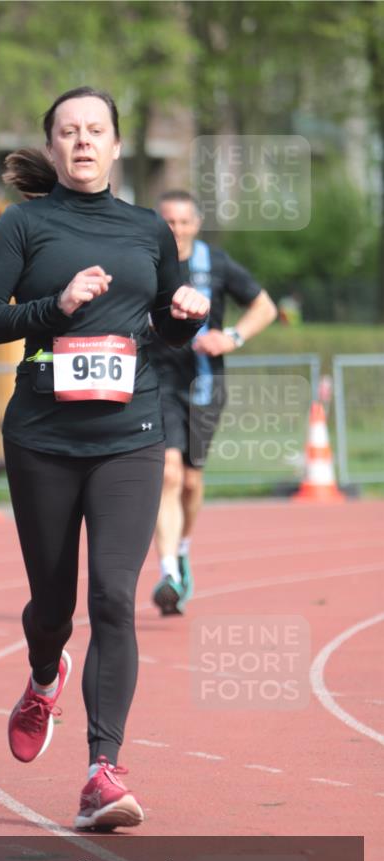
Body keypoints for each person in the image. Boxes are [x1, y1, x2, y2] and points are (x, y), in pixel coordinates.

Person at [0, 87, 209, 831]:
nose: (81, 142)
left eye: (94, 130)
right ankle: (45, 676)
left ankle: (103, 770)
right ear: (51, 146)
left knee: (112, 597)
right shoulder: (23, 224)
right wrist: (57, 306)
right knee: (53, 608)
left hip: (130, 436)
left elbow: (165, 329)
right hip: (41, 436)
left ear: (113, 144)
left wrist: (184, 316)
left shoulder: (146, 229)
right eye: (67, 132)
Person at [148, 191, 277, 615]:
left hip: (204, 384)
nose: (176, 229)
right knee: (167, 473)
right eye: (168, 221)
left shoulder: (216, 263)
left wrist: (233, 337)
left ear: (196, 223)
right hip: (157, 381)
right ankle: (167, 572)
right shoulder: (146, 260)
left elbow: (265, 306)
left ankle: (182, 550)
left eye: (183, 221)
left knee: (190, 482)